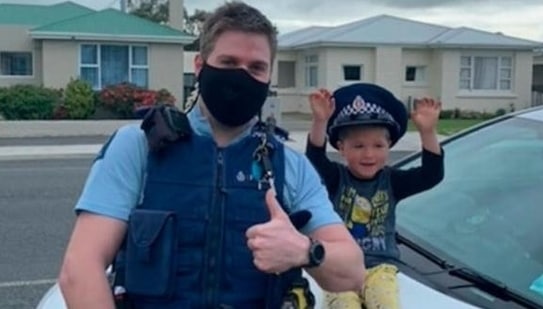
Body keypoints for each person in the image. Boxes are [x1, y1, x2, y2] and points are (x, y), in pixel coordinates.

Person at [57, 2, 365, 309]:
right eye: (229, 62)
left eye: (256, 67)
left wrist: (304, 250)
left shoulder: (289, 165)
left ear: (269, 76)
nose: (241, 77)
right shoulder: (137, 148)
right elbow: (80, 270)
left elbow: (352, 270)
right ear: (200, 67)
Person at [306, 83, 445, 308]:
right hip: (340, 264)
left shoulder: (392, 181)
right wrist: (320, 121)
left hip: (380, 268)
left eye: (378, 145)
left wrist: (427, 132)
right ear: (341, 148)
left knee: (385, 302)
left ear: (389, 145)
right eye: (358, 146)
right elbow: (315, 160)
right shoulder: (336, 178)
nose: (369, 154)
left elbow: (431, 175)